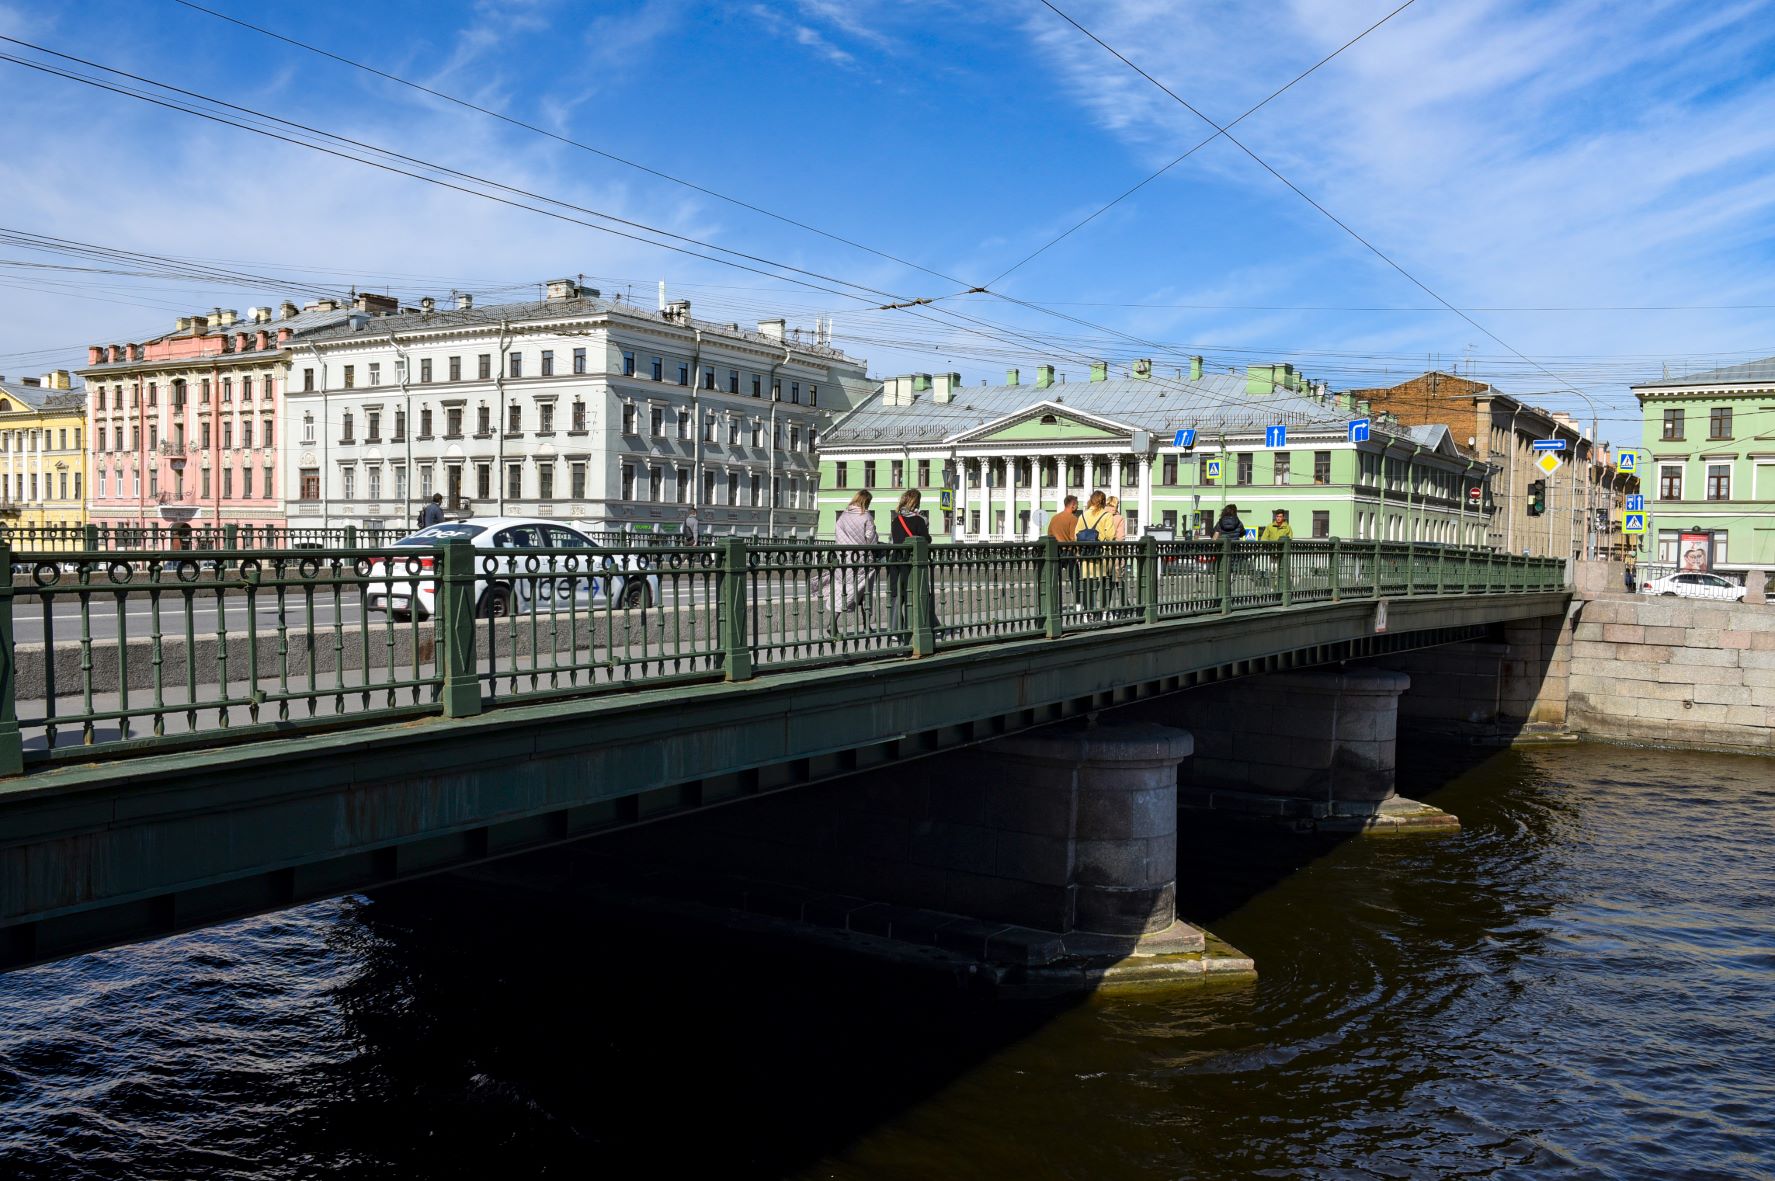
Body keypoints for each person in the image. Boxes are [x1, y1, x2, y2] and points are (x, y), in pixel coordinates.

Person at [817, 490, 880, 634]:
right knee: (866, 594)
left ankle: (832, 623)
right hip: (863, 562)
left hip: (844, 561)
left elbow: (838, 537)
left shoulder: (842, 517)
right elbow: (871, 540)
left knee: (842, 592)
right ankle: (866, 626)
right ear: (866, 502)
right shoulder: (866, 516)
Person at [888, 489, 938, 635]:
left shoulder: (896, 520)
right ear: (916, 502)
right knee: (921, 595)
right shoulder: (919, 520)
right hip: (913, 563)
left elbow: (896, 539)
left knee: (897, 596)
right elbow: (925, 539)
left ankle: (896, 631)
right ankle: (929, 626)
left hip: (897, 562)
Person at [1077, 490, 1115, 615]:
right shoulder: (1107, 515)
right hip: (1101, 554)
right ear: (1103, 501)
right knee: (1104, 583)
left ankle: (1088, 613)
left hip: (1086, 554)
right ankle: (1104, 611)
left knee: (1088, 585)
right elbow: (1110, 536)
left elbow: (1075, 534)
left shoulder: (1082, 515)